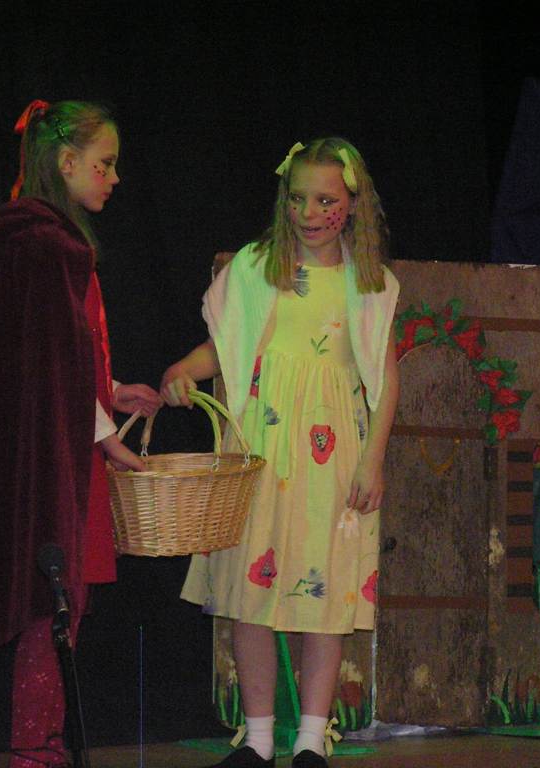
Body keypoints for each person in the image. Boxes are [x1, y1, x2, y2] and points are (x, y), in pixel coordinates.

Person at [161, 138, 400, 768]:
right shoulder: (256, 268)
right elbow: (224, 348)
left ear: (353, 204)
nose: (309, 212)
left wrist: (372, 459)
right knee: (251, 593)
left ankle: (311, 737)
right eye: (298, 199)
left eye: (325, 200)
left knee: (325, 599)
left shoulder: (369, 282)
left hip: (333, 454)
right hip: (262, 447)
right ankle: (259, 736)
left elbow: (385, 379)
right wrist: (183, 369)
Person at [0, 99, 161, 768]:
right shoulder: (47, 247)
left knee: (61, 608)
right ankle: (35, 751)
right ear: (67, 163)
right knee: (52, 606)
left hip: (59, 444)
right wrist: (108, 438)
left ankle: (40, 745)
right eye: (105, 164)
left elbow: (61, 360)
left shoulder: (40, 243)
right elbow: (52, 371)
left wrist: (110, 390)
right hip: (56, 458)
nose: (114, 178)